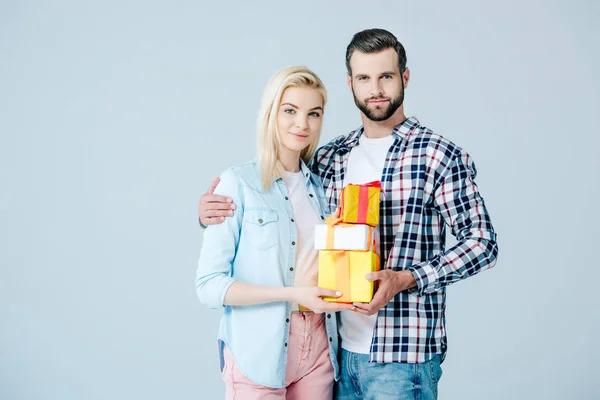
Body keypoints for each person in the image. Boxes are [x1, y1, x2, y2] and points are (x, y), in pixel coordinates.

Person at [198, 29, 498, 400]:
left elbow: (483, 244)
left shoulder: (438, 155)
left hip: (401, 357)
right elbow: (282, 211)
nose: (375, 89)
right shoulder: (330, 158)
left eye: (386, 76)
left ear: (404, 77)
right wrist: (212, 212)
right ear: (350, 83)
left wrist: (406, 278)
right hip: (336, 353)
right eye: (364, 78)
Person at [195, 65, 353, 400]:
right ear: (271, 113)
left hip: (320, 348)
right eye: (290, 110)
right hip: (257, 349)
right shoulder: (238, 183)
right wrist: (293, 295)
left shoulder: (324, 188)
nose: (302, 124)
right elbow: (209, 287)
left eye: (314, 113)